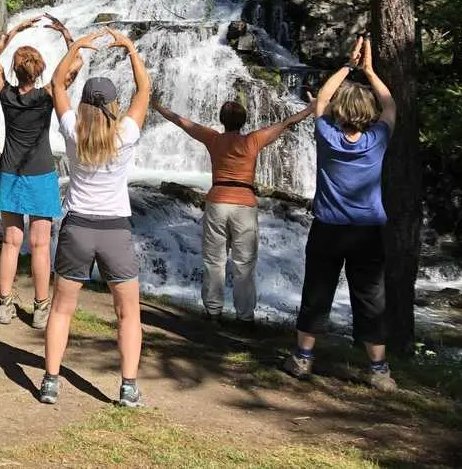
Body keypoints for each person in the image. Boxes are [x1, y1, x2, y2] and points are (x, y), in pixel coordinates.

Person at [39, 28, 150, 407]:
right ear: (114, 105)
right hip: (114, 229)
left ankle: (51, 380)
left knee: (61, 308)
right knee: (128, 313)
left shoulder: (73, 131)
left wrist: (75, 47)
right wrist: (130, 49)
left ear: (84, 103)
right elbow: (144, 91)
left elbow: (56, 84)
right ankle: (128, 386)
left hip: (78, 227)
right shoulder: (125, 135)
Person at [283, 35, 398, 392]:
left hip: (328, 228)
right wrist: (370, 71)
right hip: (367, 232)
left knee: (317, 290)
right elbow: (390, 104)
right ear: (369, 114)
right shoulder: (377, 138)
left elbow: (321, 100)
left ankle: (303, 359)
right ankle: (378, 370)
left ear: (339, 111)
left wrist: (348, 66)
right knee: (370, 297)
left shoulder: (326, 134)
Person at [153, 94, 314, 326]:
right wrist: (310, 108)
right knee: (244, 264)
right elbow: (287, 123)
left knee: (214, 260)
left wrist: (158, 106)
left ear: (222, 120)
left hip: (217, 202)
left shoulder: (213, 139)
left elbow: (181, 121)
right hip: (244, 206)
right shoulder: (253, 140)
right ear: (244, 121)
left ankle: (213, 313)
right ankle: (245, 317)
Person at [0, 13, 82, 330]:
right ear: (40, 70)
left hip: (10, 172)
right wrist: (68, 36)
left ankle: (4, 304)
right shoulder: (49, 95)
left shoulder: (7, 95)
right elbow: (76, 66)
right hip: (41, 172)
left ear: (16, 70)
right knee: (41, 245)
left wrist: (14, 31)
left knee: (10, 242)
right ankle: (41, 309)